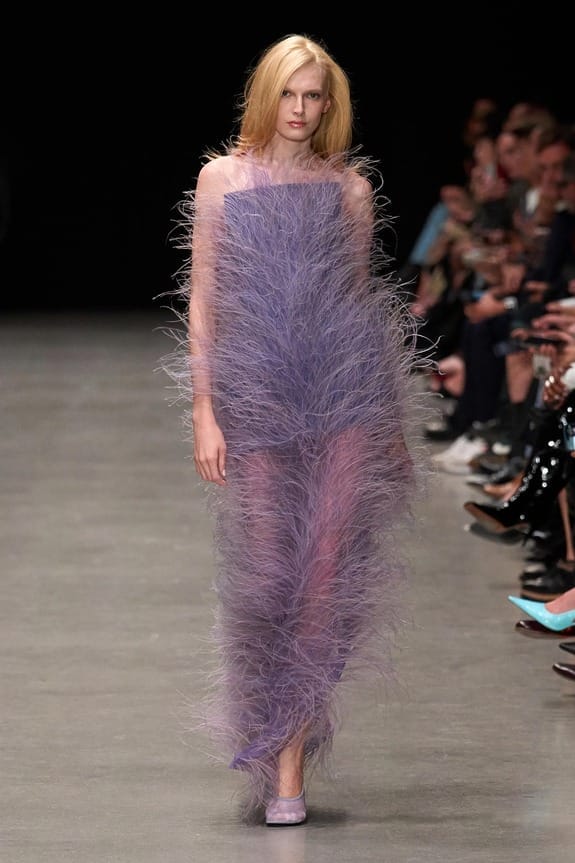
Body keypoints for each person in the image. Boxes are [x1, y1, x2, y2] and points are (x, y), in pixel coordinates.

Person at [163, 34, 427, 826]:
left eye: (314, 96)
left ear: (329, 104)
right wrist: (204, 409)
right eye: (289, 92)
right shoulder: (220, 179)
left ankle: (287, 767)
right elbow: (204, 299)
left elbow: (355, 303)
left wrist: (388, 420)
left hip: (343, 395)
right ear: (265, 94)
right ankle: (269, 732)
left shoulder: (348, 190)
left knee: (326, 578)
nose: (301, 109)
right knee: (266, 576)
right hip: (256, 398)